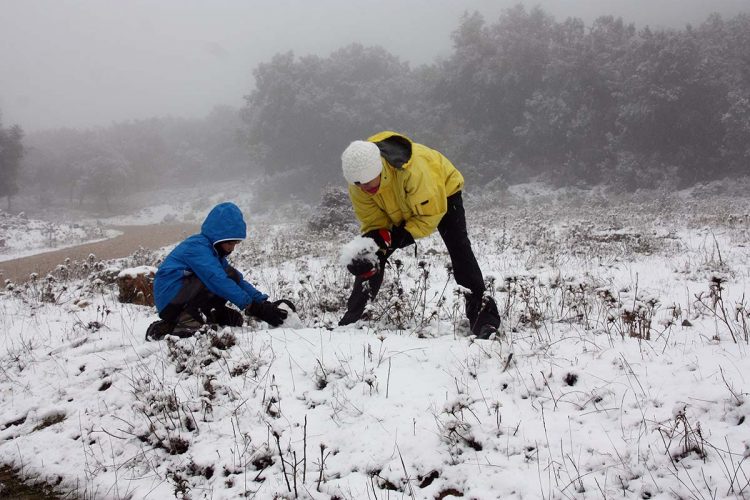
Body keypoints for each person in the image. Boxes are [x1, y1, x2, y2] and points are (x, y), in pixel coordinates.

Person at [339, 131, 500, 338]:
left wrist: (398, 237)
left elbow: (430, 214)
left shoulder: (414, 171)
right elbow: (373, 222)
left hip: (442, 193)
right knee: (370, 256)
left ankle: (484, 318)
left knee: (459, 248)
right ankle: (352, 318)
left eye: (369, 182)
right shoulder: (359, 183)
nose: (365, 189)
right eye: (359, 185)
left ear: (379, 167)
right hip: (400, 203)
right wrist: (376, 243)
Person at [145, 202, 293, 340]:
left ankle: (206, 315)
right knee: (221, 279)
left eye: (235, 243)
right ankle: (179, 323)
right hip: (170, 301)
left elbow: (238, 281)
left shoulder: (213, 251)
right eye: (229, 243)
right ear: (218, 237)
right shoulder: (197, 247)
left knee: (235, 314)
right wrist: (253, 307)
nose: (232, 248)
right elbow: (218, 280)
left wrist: (264, 303)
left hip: (183, 296)